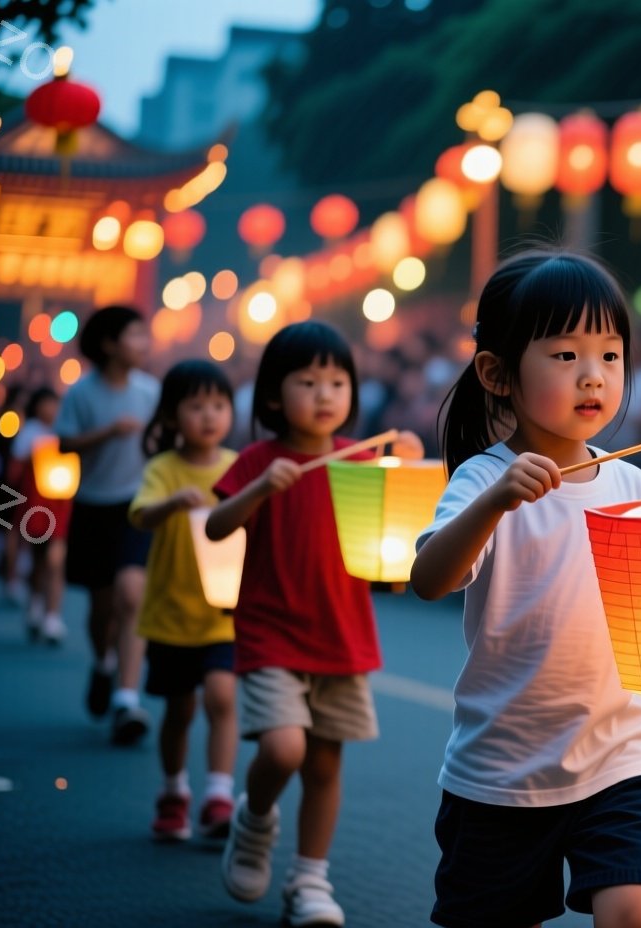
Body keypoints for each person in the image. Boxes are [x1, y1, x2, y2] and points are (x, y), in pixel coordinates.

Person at [409, 250, 641, 928]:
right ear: (498, 373)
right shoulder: (482, 481)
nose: (593, 376)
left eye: (610, 355)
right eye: (564, 356)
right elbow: (431, 578)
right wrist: (495, 502)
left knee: (638, 913)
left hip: (621, 760)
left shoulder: (635, 485)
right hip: (501, 773)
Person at [207, 321, 424, 926]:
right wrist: (254, 490)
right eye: (308, 381)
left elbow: (410, 503)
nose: (325, 394)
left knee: (326, 764)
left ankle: (309, 880)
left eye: (337, 381)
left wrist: (404, 460)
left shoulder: (360, 459)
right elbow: (215, 527)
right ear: (274, 396)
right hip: (271, 630)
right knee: (283, 748)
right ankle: (254, 822)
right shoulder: (259, 459)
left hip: (342, 631)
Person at [129, 359, 240, 842]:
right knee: (179, 710)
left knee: (221, 696)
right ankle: (174, 791)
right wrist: (173, 502)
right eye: (196, 406)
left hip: (225, 614)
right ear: (172, 416)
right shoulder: (163, 469)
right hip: (172, 614)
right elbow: (139, 516)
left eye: (219, 405)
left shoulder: (238, 467)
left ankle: (218, 795)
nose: (210, 416)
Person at [55, 305, 160, 744]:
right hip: (94, 505)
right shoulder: (82, 393)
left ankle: (126, 698)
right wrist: (108, 433)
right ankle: (103, 663)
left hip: (137, 507)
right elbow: (64, 443)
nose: (143, 344)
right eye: (134, 336)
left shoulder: (151, 391)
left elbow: (163, 440)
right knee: (102, 607)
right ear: (109, 345)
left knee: (131, 595)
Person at [9, 387, 70, 644]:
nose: (51, 410)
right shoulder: (29, 433)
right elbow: (15, 470)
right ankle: (35, 604)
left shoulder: (67, 429)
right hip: (35, 506)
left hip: (62, 504)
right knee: (38, 559)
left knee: (56, 561)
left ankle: (52, 615)